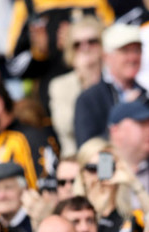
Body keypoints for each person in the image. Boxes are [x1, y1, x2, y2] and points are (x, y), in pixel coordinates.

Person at [5, 0, 113, 113]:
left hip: (100, 95)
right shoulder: (27, 5)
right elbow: (13, 67)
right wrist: (40, 52)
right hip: (49, 106)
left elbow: (115, 46)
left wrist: (78, 42)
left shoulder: (96, 2)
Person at [74, 138, 149, 232]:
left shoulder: (131, 217)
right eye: (92, 168)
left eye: (106, 167)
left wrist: (133, 182)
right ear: (82, 175)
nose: (99, 175)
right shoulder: (69, 216)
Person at [74, 24, 146, 148]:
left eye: (137, 50)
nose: (132, 57)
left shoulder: (146, 95)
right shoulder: (89, 99)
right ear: (107, 57)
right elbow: (88, 150)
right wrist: (122, 113)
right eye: (125, 51)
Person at [48, 16, 104, 157]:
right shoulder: (60, 85)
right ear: (70, 51)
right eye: (77, 44)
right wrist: (87, 79)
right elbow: (67, 126)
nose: (85, 48)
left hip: (109, 157)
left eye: (92, 42)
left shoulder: (113, 79)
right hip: (76, 161)